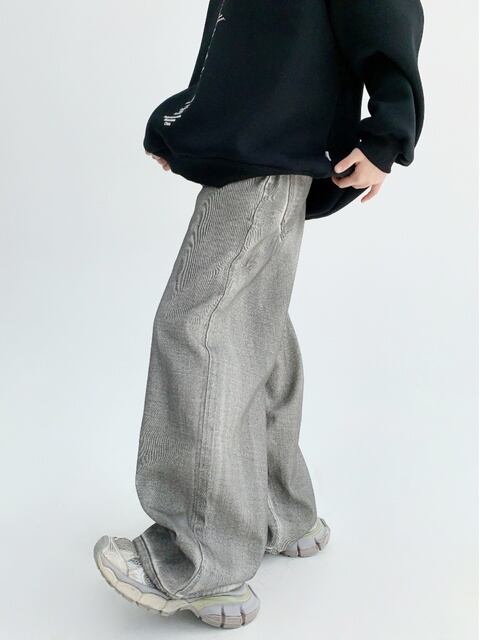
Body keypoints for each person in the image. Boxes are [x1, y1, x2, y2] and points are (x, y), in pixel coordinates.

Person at [94, 0, 425, 629]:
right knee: (253, 327)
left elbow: (387, 12)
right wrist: (183, 126)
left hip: (271, 154)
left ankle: (201, 560)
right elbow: (246, 48)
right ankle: (279, 512)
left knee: (197, 329)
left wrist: (387, 133)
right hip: (263, 148)